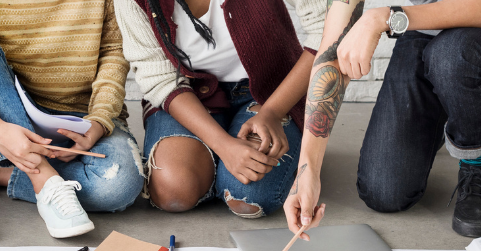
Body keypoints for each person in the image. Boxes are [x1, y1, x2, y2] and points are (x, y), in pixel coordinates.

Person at [285, 0, 481, 239]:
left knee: (452, 55)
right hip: (430, 26)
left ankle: (478, 163)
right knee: (384, 192)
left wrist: (380, 18)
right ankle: (446, 109)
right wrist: (306, 172)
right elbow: (333, 47)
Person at [0, 0, 146, 239]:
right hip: (6, 118)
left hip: (81, 118)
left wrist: (99, 119)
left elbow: (114, 51)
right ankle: (43, 178)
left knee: (119, 186)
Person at [114, 0, 328, 219]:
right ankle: (214, 160)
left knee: (248, 197)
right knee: (174, 191)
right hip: (186, 94)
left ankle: (281, 151)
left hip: (269, 91)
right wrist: (224, 146)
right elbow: (158, 77)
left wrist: (273, 111)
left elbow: (329, 28)